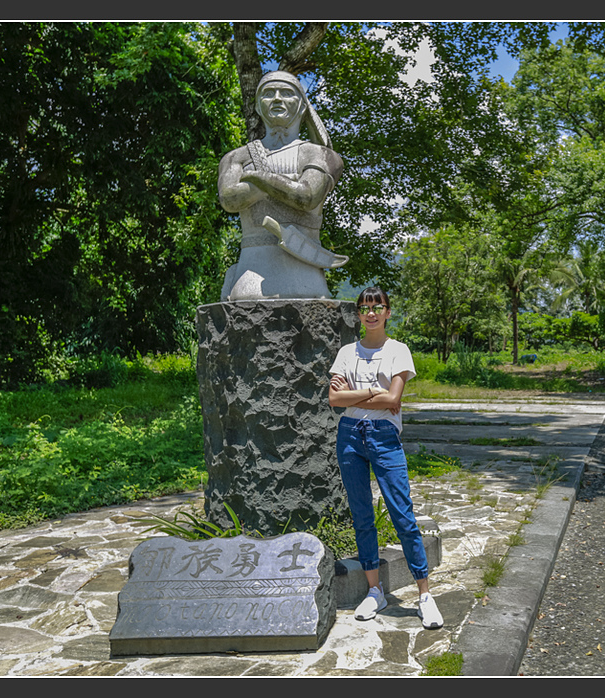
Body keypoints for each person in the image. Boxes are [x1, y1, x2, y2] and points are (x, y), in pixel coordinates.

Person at [328, 287, 443, 629]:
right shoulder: (346, 352)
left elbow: (395, 397)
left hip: (384, 436)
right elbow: (335, 401)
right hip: (349, 435)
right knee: (362, 515)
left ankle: (424, 594)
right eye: (365, 307)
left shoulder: (398, 351)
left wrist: (358, 396)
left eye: (377, 307)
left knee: (402, 513)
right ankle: (374, 590)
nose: (371, 313)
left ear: (388, 312)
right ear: (358, 314)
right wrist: (372, 393)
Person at [217, 70, 347, 301]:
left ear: (302, 105)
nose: (277, 98)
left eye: (286, 93)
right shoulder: (235, 158)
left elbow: (307, 197)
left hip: (305, 276)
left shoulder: (321, 155)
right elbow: (229, 199)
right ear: (257, 106)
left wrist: (257, 179)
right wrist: (289, 182)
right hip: (251, 274)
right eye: (268, 93)